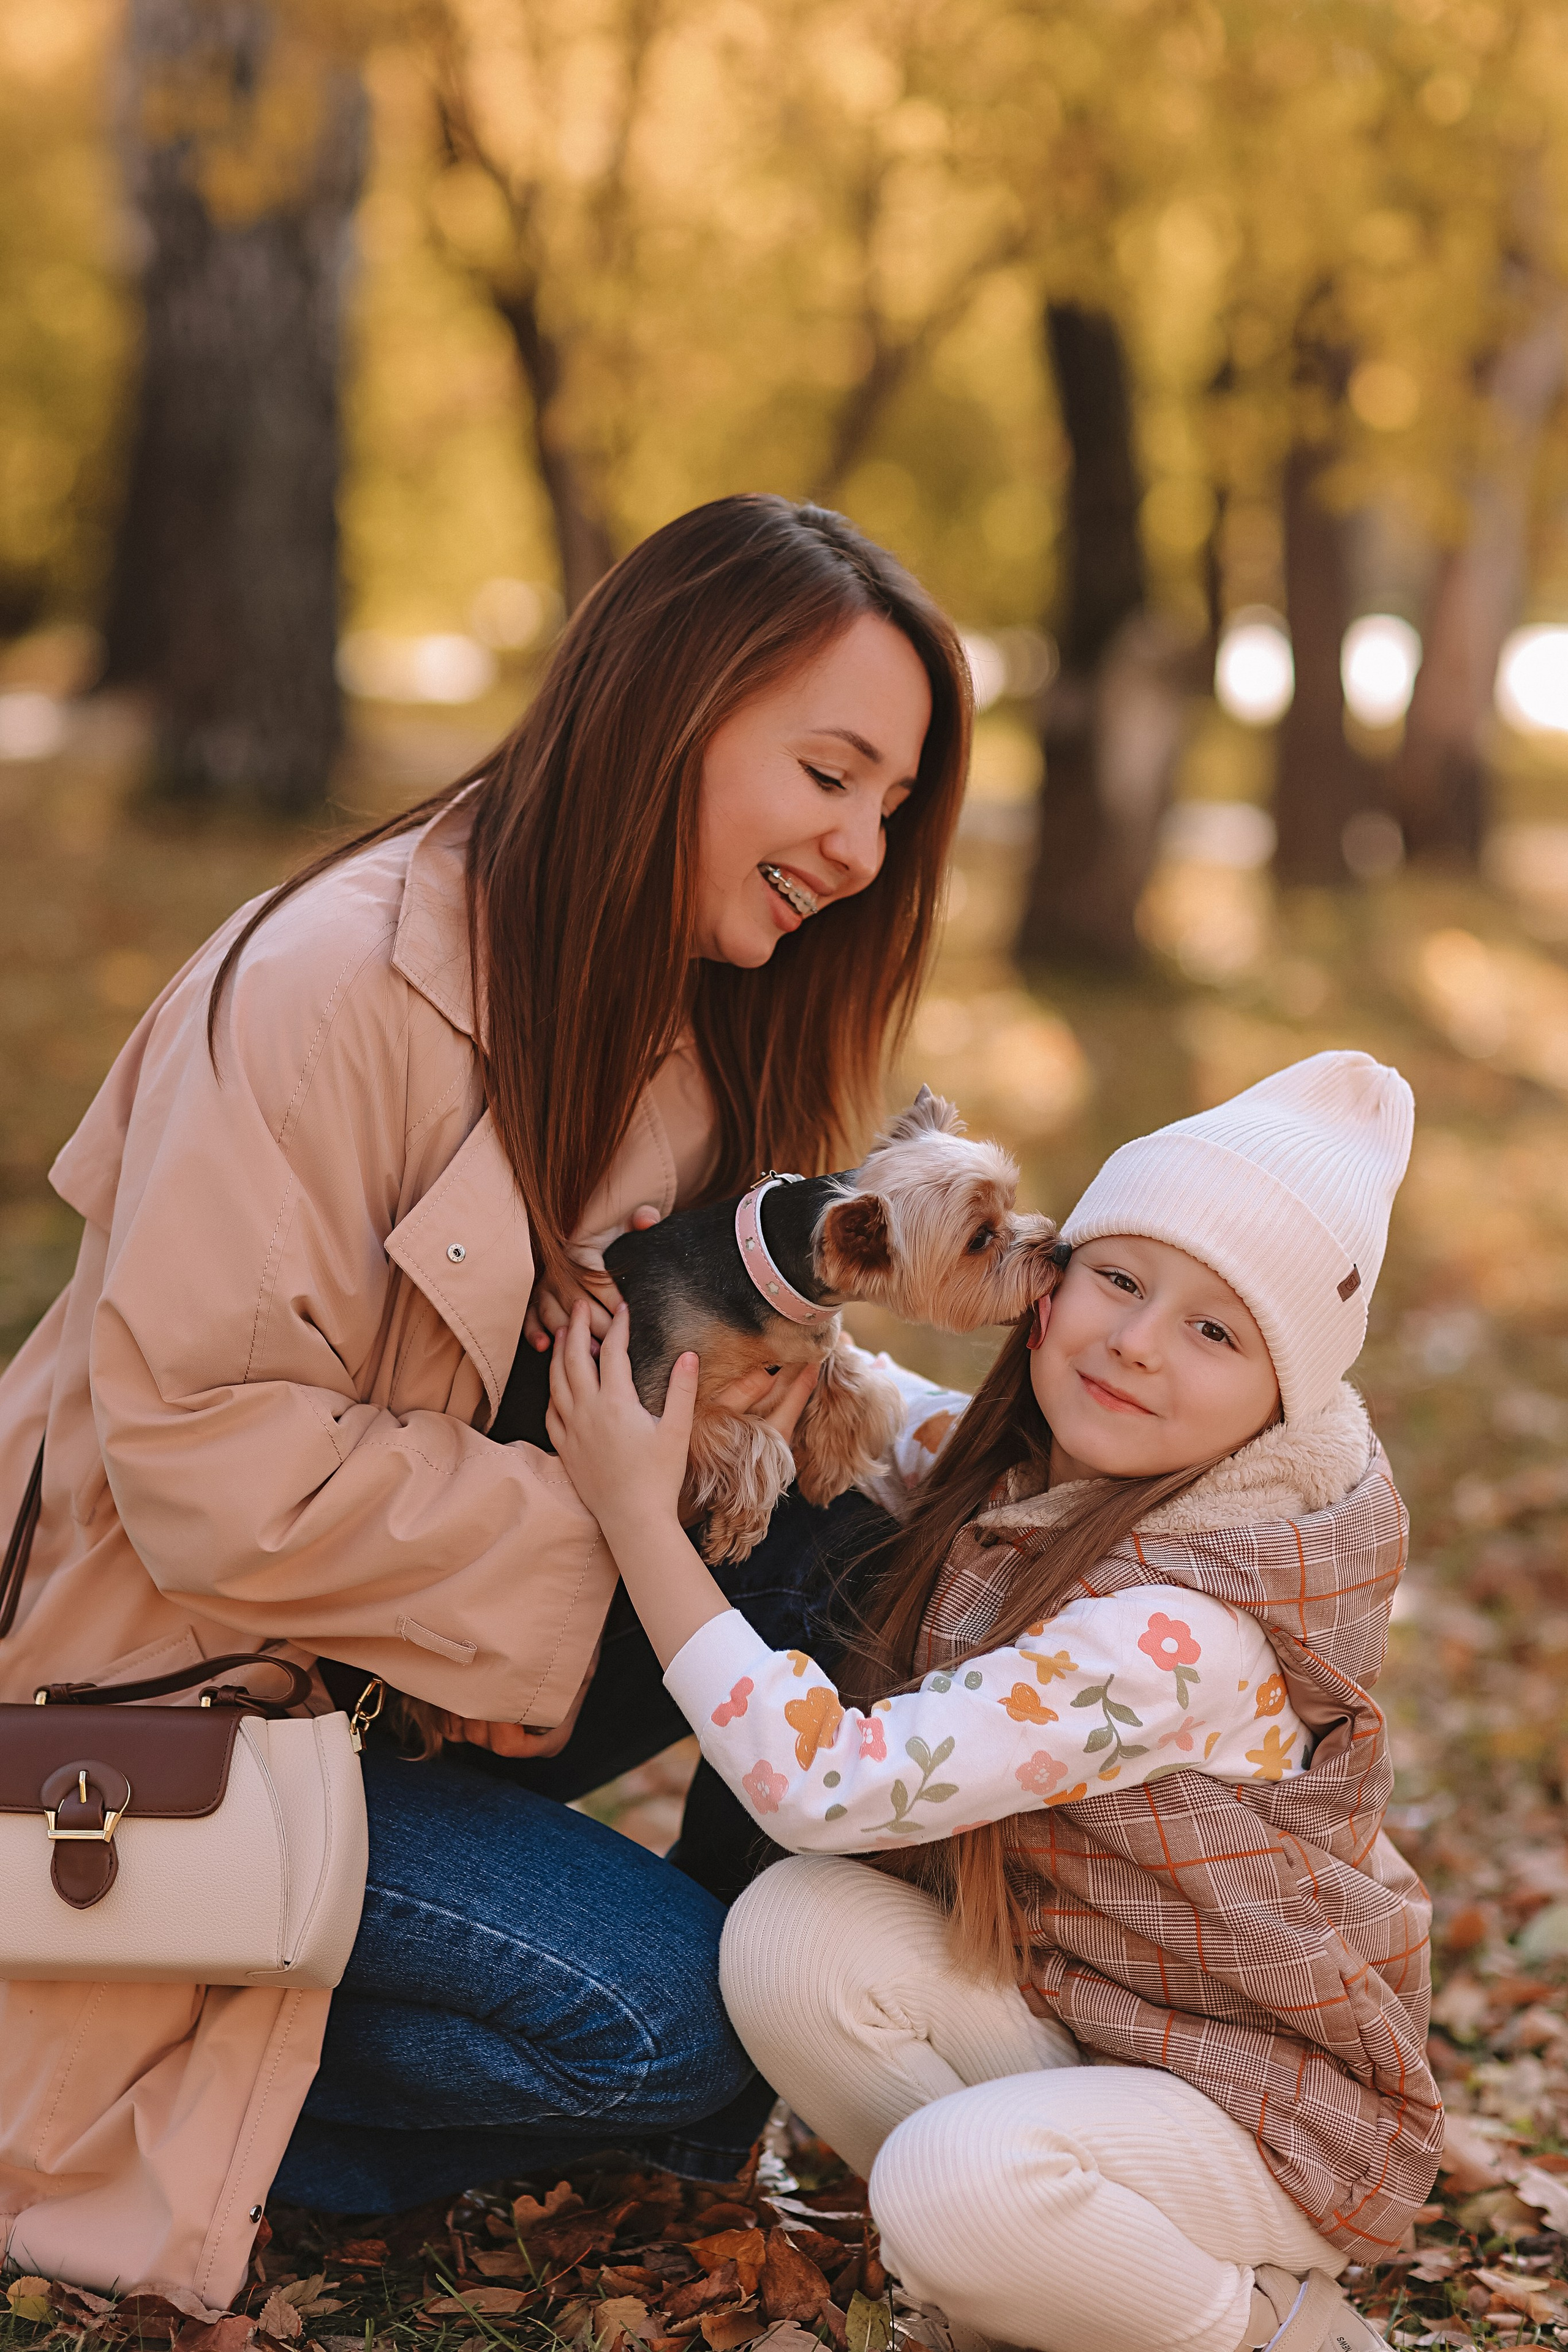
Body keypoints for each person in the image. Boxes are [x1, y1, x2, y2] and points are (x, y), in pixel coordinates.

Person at [0, 496, 972, 2305]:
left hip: (406, 1688)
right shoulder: (325, 992)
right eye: (829, 774)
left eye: (892, 807)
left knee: (864, 1549)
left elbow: (720, 1386)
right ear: (669, 710)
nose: (858, 846)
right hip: (161, 1729)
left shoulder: (677, 1021)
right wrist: (576, 1565)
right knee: (680, 2030)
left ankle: (715, 2031)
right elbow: (204, 1454)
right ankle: (126, 2095)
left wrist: (991, 1439)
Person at [548, 1052, 1441, 2352]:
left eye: (1212, 1329)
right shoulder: (1052, 1477)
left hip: (1257, 2115)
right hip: (1106, 2032)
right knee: (790, 1935)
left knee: (946, 2187)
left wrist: (641, 1516)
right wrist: (719, 1303)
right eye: (1121, 1279)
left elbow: (828, 1783)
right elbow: (896, 1416)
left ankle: (1269, 2330)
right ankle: (1039, 2279)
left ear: (1276, 1400)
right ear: (1054, 1283)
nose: (1134, 1343)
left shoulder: (1179, 1634)